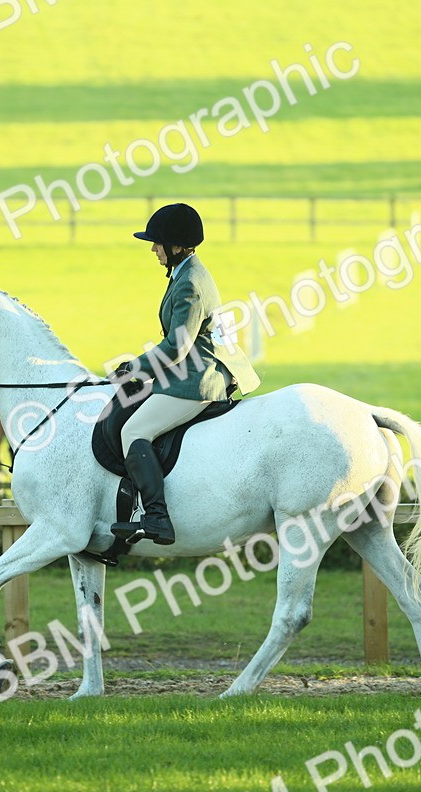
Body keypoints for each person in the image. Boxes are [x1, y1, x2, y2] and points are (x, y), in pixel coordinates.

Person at [109, 203, 260, 546]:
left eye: (157, 243)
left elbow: (176, 346)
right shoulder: (188, 273)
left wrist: (135, 367)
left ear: (176, 246)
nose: (152, 249)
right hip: (193, 369)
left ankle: (158, 518)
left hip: (198, 378)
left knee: (134, 430)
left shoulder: (190, 283)